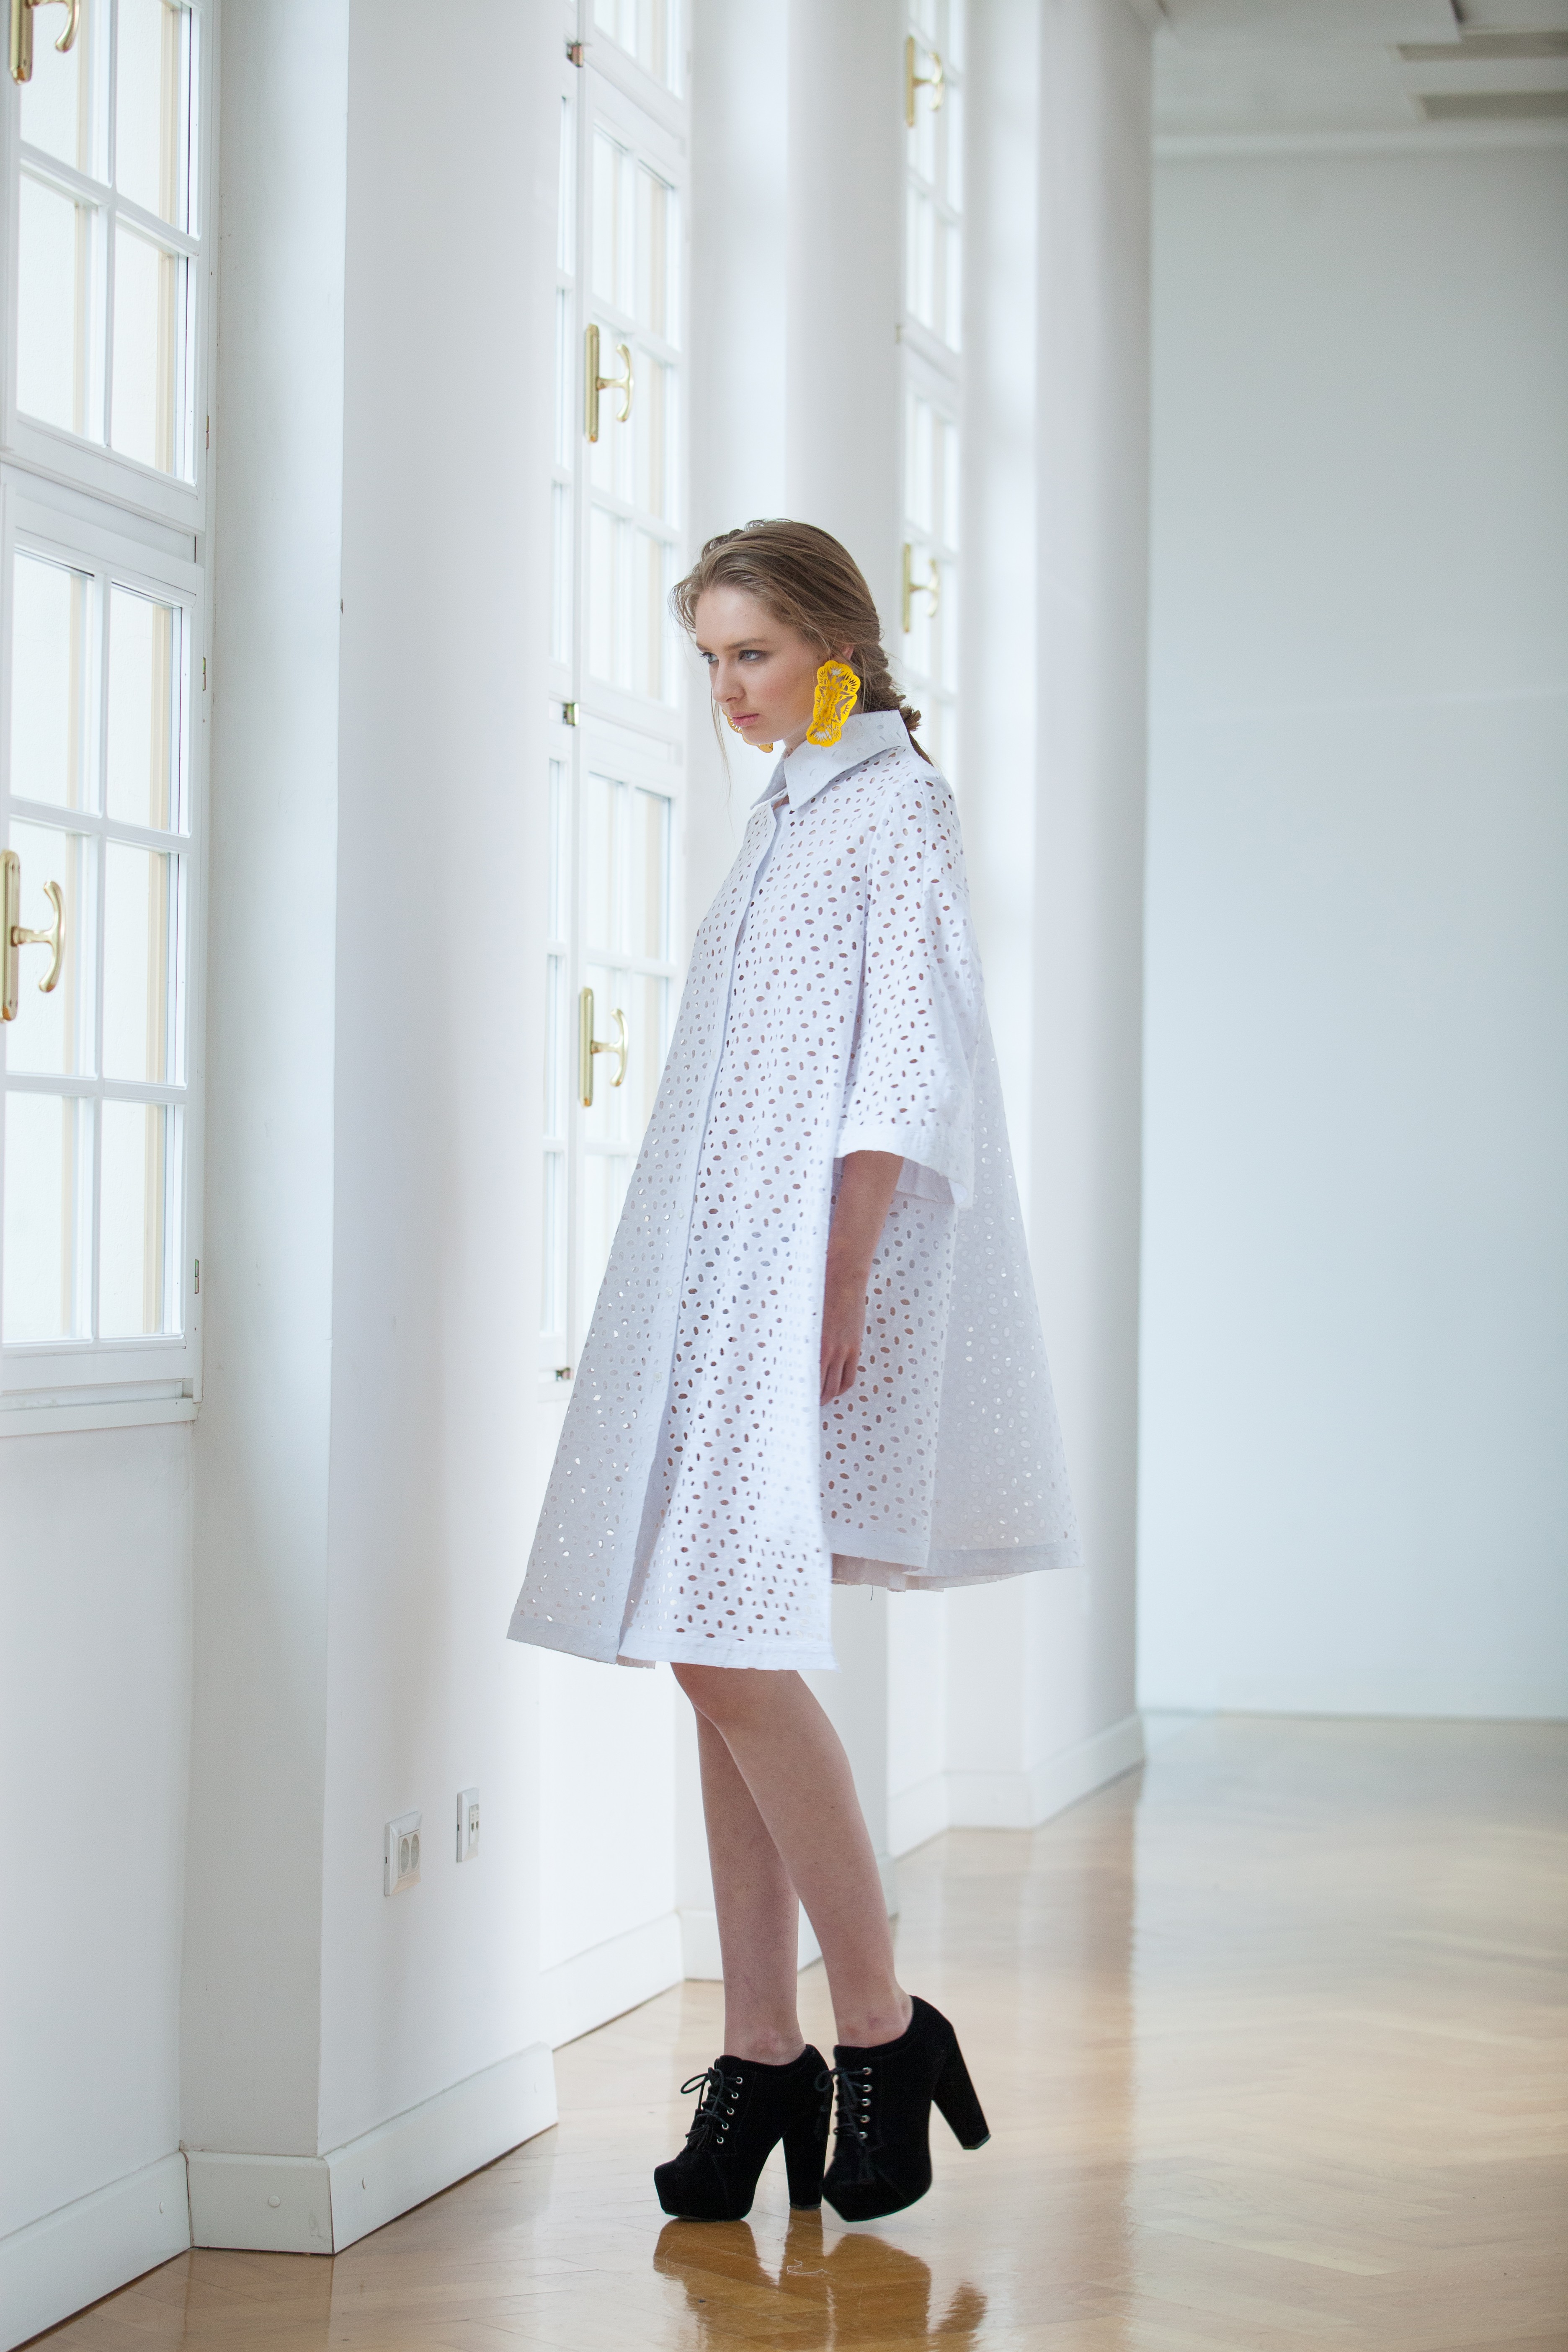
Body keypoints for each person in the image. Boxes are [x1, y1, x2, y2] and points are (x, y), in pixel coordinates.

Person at [509, 519, 1079, 2224]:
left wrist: (839, 1282)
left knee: (728, 1640)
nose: (726, 689)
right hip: (719, 1264)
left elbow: (903, 1067)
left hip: (807, 1275)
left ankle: (879, 2027)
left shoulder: (899, 807)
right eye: (708, 659)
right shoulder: (786, 813)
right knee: (712, 1643)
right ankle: (763, 2052)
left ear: (835, 643)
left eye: (749, 653)